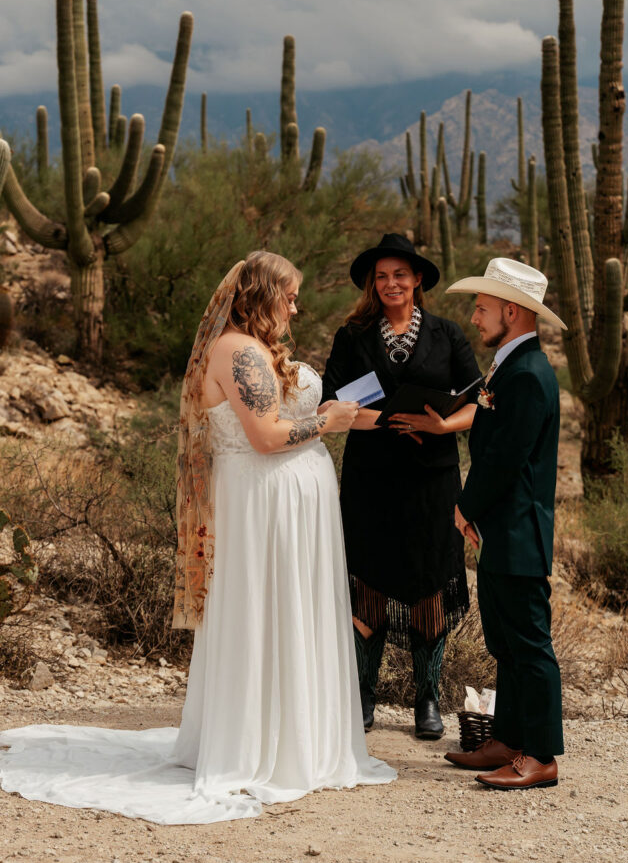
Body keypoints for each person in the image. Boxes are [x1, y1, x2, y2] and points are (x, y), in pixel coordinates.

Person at [0, 251, 396, 824]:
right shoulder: (236, 349)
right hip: (261, 503)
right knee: (263, 610)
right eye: (287, 294)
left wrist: (338, 414)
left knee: (293, 610)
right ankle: (261, 747)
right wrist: (327, 424)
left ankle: (294, 736)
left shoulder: (259, 351)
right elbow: (264, 437)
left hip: (289, 504)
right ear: (259, 296)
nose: (295, 304)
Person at [321, 233, 481, 740]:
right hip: (371, 479)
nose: (391, 283)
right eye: (382, 276)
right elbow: (329, 406)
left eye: (400, 275)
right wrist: (385, 421)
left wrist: (437, 427)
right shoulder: (353, 336)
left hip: (433, 480)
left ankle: (426, 700)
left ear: (416, 281)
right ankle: (363, 695)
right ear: (374, 283)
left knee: (429, 586)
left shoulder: (448, 334)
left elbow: (479, 403)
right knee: (368, 584)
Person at [443, 256, 566, 790]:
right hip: (502, 529)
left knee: (530, 646)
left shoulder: (529, 375)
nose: (475, 316)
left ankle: (540, 755)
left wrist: (466, 507)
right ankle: (510, 739)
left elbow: (505, 460)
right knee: (507, 643)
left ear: (512, 312)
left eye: (483, 307)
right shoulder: (509, 367)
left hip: (519, 532)